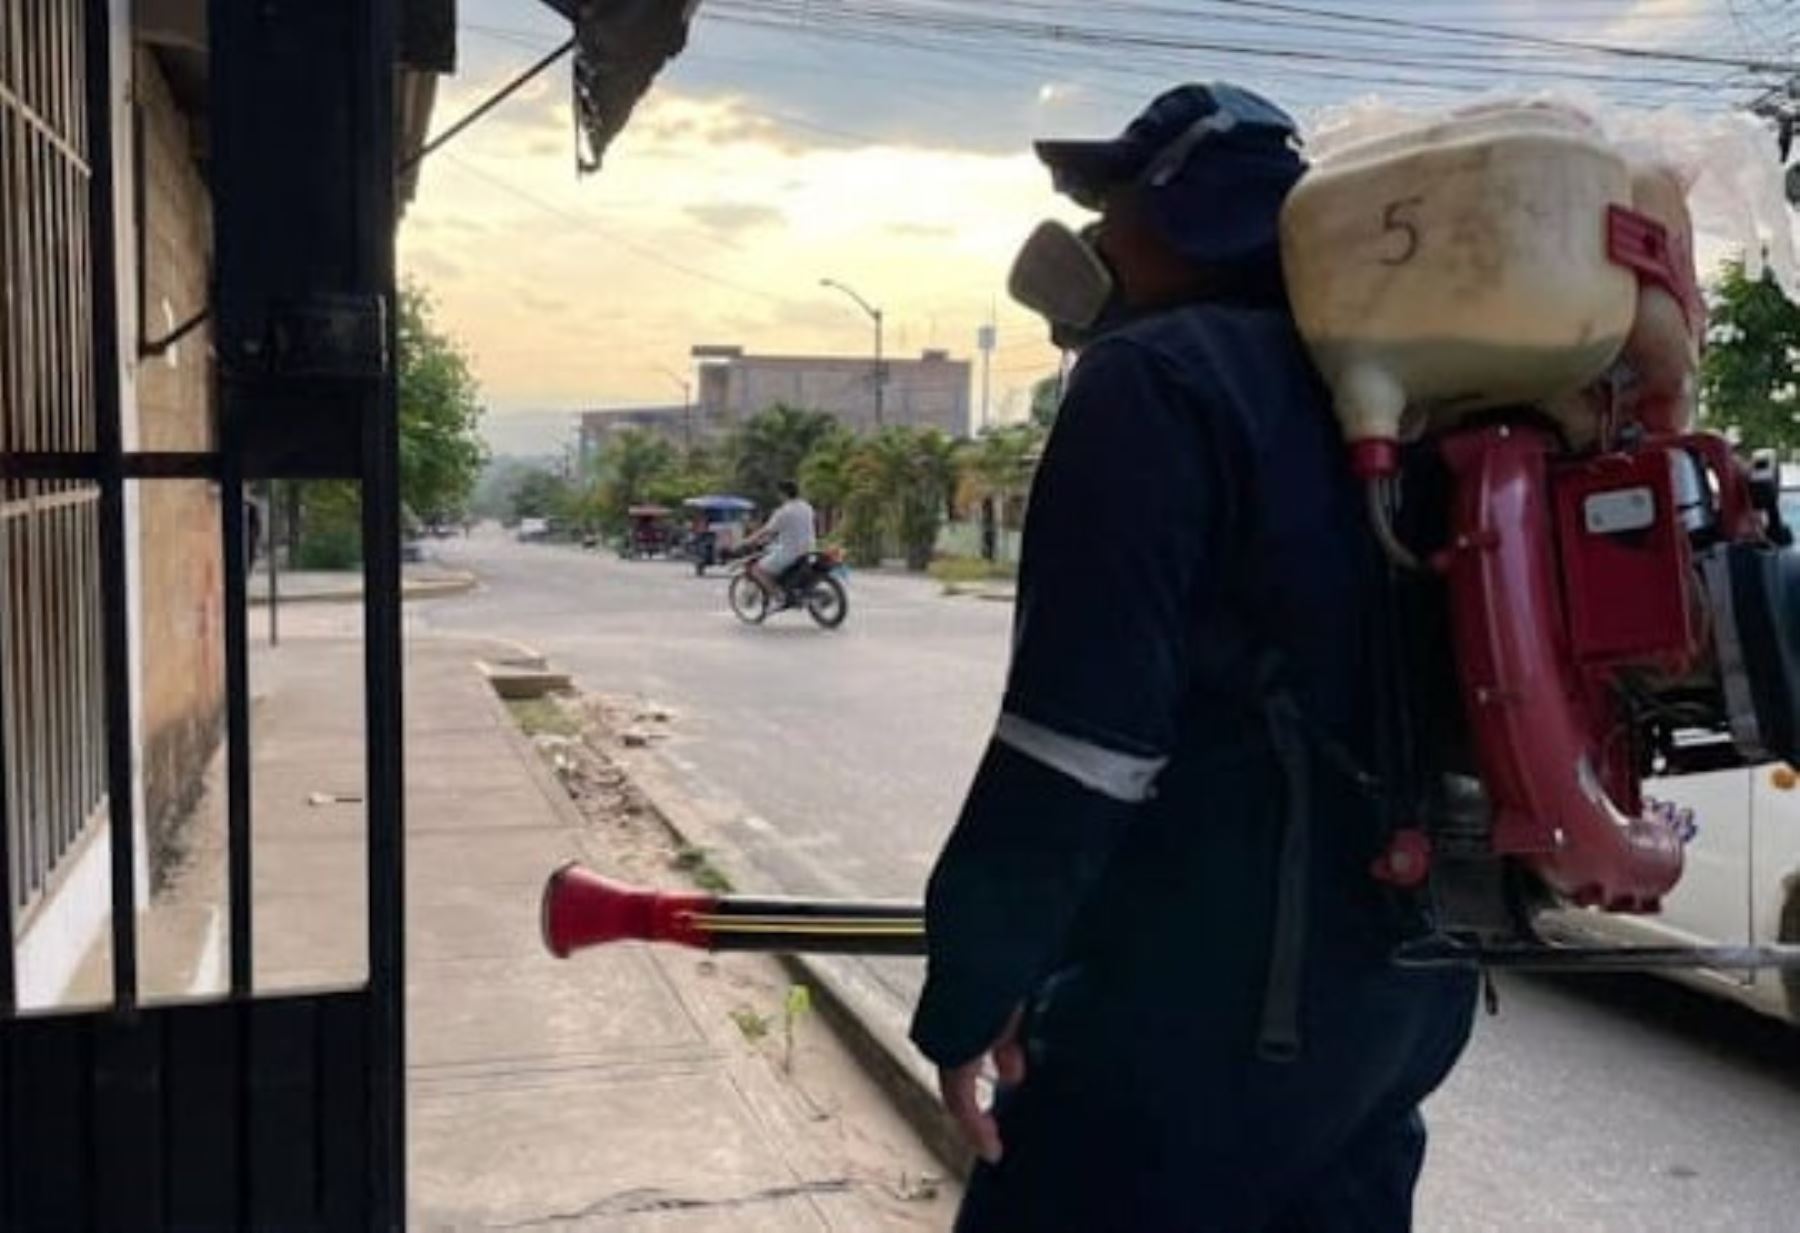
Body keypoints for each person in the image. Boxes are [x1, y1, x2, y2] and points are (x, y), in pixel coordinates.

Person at [910, 83, 1478, 1232]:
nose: (1088, 239)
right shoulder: (1414, 397)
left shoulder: (1158, 380)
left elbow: (1077, 741)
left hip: (1204, 1004)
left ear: (1175, 214)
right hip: (1404, 997)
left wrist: (976, 980)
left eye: (1104, 204)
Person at [742, 480, 815, 599]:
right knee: (773, 551)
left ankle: (779, 596)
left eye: (779, 493)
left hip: (790, 552)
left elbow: (766, 530)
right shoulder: (807, 507)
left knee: (757, 570)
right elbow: (790, 528)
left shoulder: (783, 511)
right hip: (809, 549)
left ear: (783, 494)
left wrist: (749, 540)